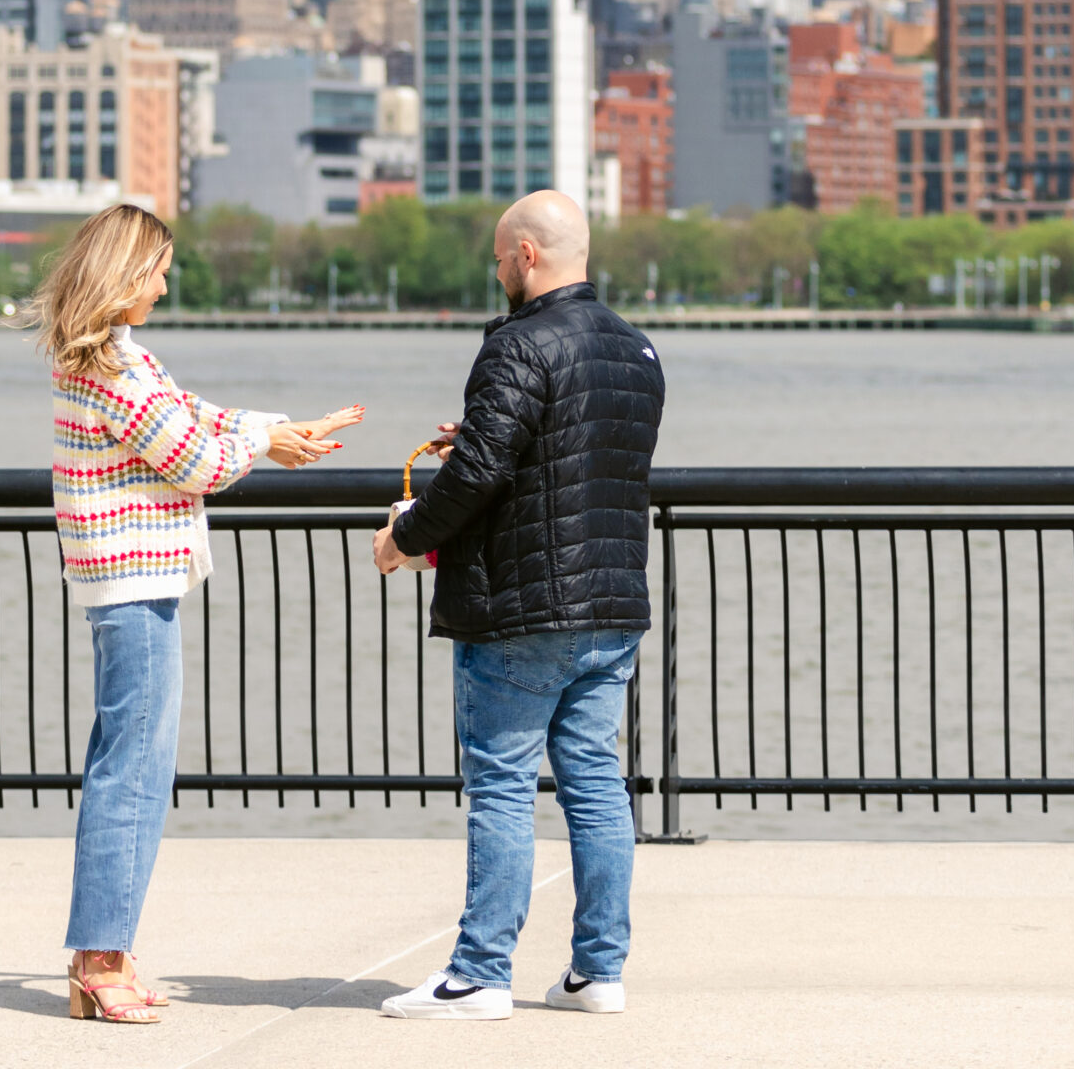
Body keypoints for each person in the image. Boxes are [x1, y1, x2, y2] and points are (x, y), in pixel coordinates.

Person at [34, 202, 362, 1025]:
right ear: (126, 276)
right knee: (131, 773)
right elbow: (195, 460)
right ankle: (98, 959)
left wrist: (279, 431)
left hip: (136, 583)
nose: (167, 281)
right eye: (159, 268)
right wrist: (268, 445)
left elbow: (197, 419)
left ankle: (107, 951)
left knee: (136, 768)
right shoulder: (111, 370)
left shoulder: (120, 360)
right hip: (134, 587)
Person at [372, 189, 663, 1022]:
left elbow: (476, 480)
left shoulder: (517, 346)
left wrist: (405, 538)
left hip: (523, 610)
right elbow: (576, 456)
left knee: (500, 785)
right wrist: (488, 436)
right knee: (597, 785)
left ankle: (478, 975)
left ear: (527, 256)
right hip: (612, 603)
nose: (496, 270)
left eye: (500, 257)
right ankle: (598, 972)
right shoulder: (636, 351)